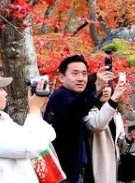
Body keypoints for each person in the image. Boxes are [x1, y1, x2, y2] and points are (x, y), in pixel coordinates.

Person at [0, 70, 55, 183]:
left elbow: (49, 135)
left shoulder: (3, 121)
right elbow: (32, 147)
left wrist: (38, 110)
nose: (6, 93)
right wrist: (34, 111)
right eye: (1, 89)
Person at [44, 55, 113, 183]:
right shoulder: (60, 96)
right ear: (61, 77)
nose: (81, 79)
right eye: (75, 74)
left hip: (76, 168)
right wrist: (97, 87)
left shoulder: (75, 96)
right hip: (64, 171)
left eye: (84, 74)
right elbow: (75, 109)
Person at [84, 81, 135, 183]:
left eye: (108, 86)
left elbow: (120, 147)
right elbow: (96, 125)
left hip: (114, 166)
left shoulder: (116, 115)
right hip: (95, 167)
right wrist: (113, 99)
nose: (105, 90)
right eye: (102, 86)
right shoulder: (88, 111)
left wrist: (128, 138)